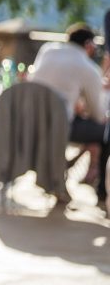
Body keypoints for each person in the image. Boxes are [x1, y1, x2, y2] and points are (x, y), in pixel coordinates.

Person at [28, 24, 109, 210]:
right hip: (60, 124)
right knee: (105, 133)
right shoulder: (87, 67)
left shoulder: (47, 50)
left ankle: (64, 169)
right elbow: (98, 115)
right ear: (89, 45)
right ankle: (102, 193)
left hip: (30, 119)